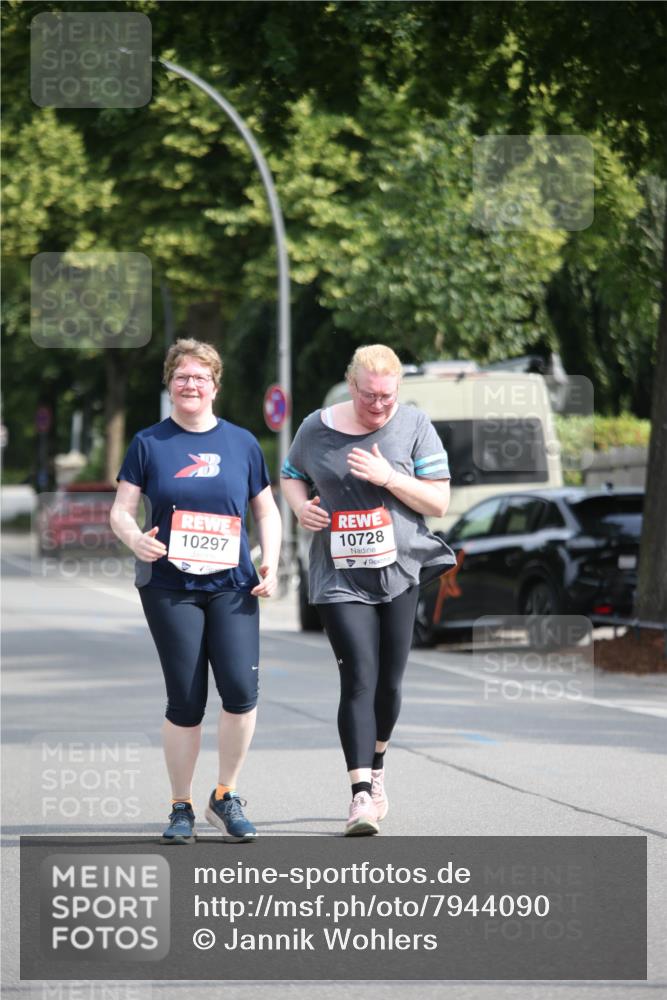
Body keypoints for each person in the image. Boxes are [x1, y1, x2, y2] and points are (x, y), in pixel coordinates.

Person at [110, 338, 281, 844]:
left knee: (241, 693)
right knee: (186, 700)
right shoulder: (149, 443)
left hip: (233, 584)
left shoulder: (243, 444)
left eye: (200, 377)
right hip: (170, 586)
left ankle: (224, 795)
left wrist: (270, 559)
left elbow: (266, 510)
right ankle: (180, 804)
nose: (191, 385)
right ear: (170, 384)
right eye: (182, 377)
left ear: (215, 386)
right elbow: (120, 510)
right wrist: (134, 538)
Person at [281, 344, 455, 836]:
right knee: (359, 672)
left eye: (387, 395)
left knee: (389, 681)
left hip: (398, 569)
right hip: (339, 573)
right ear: (352, 384)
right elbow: (291, 475)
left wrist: (390, 477)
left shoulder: (414, 425)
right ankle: (359, 796)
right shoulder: (317, 427)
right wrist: (300, 507)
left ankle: (377, 767)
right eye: (369, 395)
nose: (378, 405)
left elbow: (438, 501)